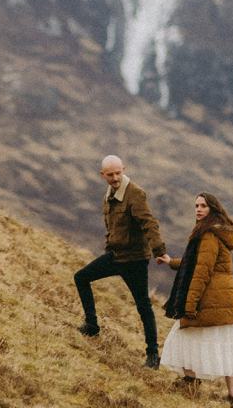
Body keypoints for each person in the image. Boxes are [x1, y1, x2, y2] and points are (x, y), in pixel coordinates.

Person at [74, 155, 167, 368]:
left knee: (143, 305)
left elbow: (149, 223)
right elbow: (113, 226)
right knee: (81, 277)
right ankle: (92, 326)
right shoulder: (109, 194)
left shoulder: (135, 194)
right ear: (103, 175)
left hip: (134, 260)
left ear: (123, 169)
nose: (115, 178)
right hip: (116, 256)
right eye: (110, 174)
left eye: (118, 173)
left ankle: (153, 355)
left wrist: (159, 250)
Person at [156, 192, 233, 407]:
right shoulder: (219, 231)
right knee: (227, 344)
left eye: (203, 206)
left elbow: (202, 271)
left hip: (210, 297)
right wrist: (172, 262)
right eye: (196, 205)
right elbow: (195, 263)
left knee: (183, 333)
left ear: (213, 209)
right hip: (222, 299)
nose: (198, 209)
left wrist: (190, 303)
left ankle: (191, 381)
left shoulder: (208, 234)